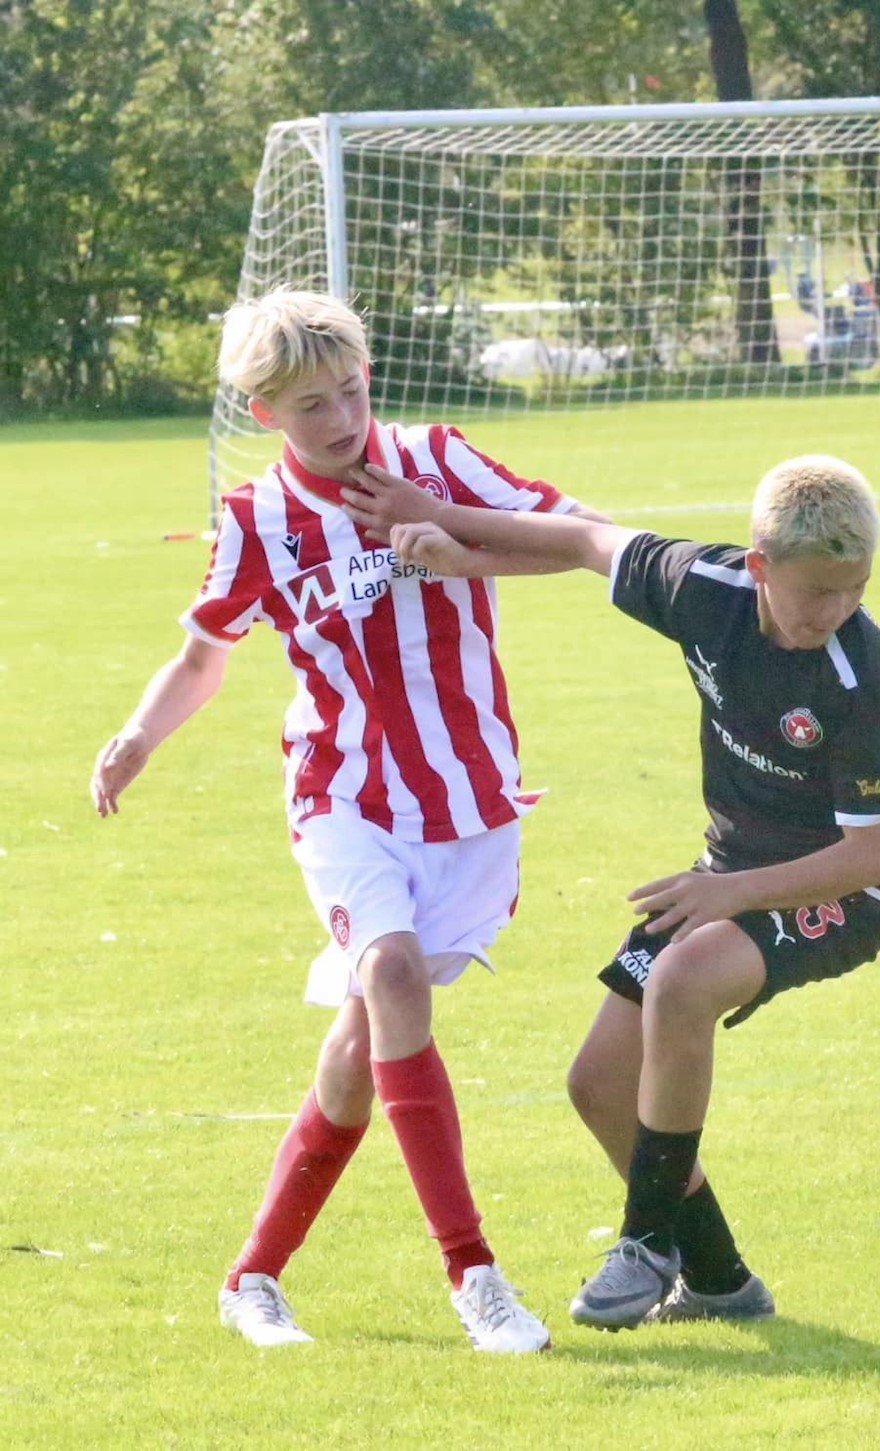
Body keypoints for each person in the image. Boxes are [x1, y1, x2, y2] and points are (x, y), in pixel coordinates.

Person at [90, 288, 608, 1352]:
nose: (338, 419)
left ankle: (253, 1275)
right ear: (264, 413)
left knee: (361, 1041)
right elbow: (204, 653)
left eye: (348, 391)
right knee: (393, 975)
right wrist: (141, 734)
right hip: (343, 794)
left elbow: (584, 537)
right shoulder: (255, 521)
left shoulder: (438, 460)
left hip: (468, 801)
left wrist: (456, 542)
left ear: (368, 376)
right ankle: (475, 1274)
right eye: (308, 405)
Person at [340, 453, 880, 1330]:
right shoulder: (702, 589)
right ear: (760, 567)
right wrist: (442, 520)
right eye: (816, 594)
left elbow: (873, 855)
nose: (835, 611)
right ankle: (719, 1280)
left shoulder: (860, 673)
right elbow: (582, 539)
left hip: (840, 890)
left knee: (681, 983)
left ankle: (644, 1242)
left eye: (856, 590)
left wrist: (731, 894)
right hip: (729, 878)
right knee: (600, 1083)